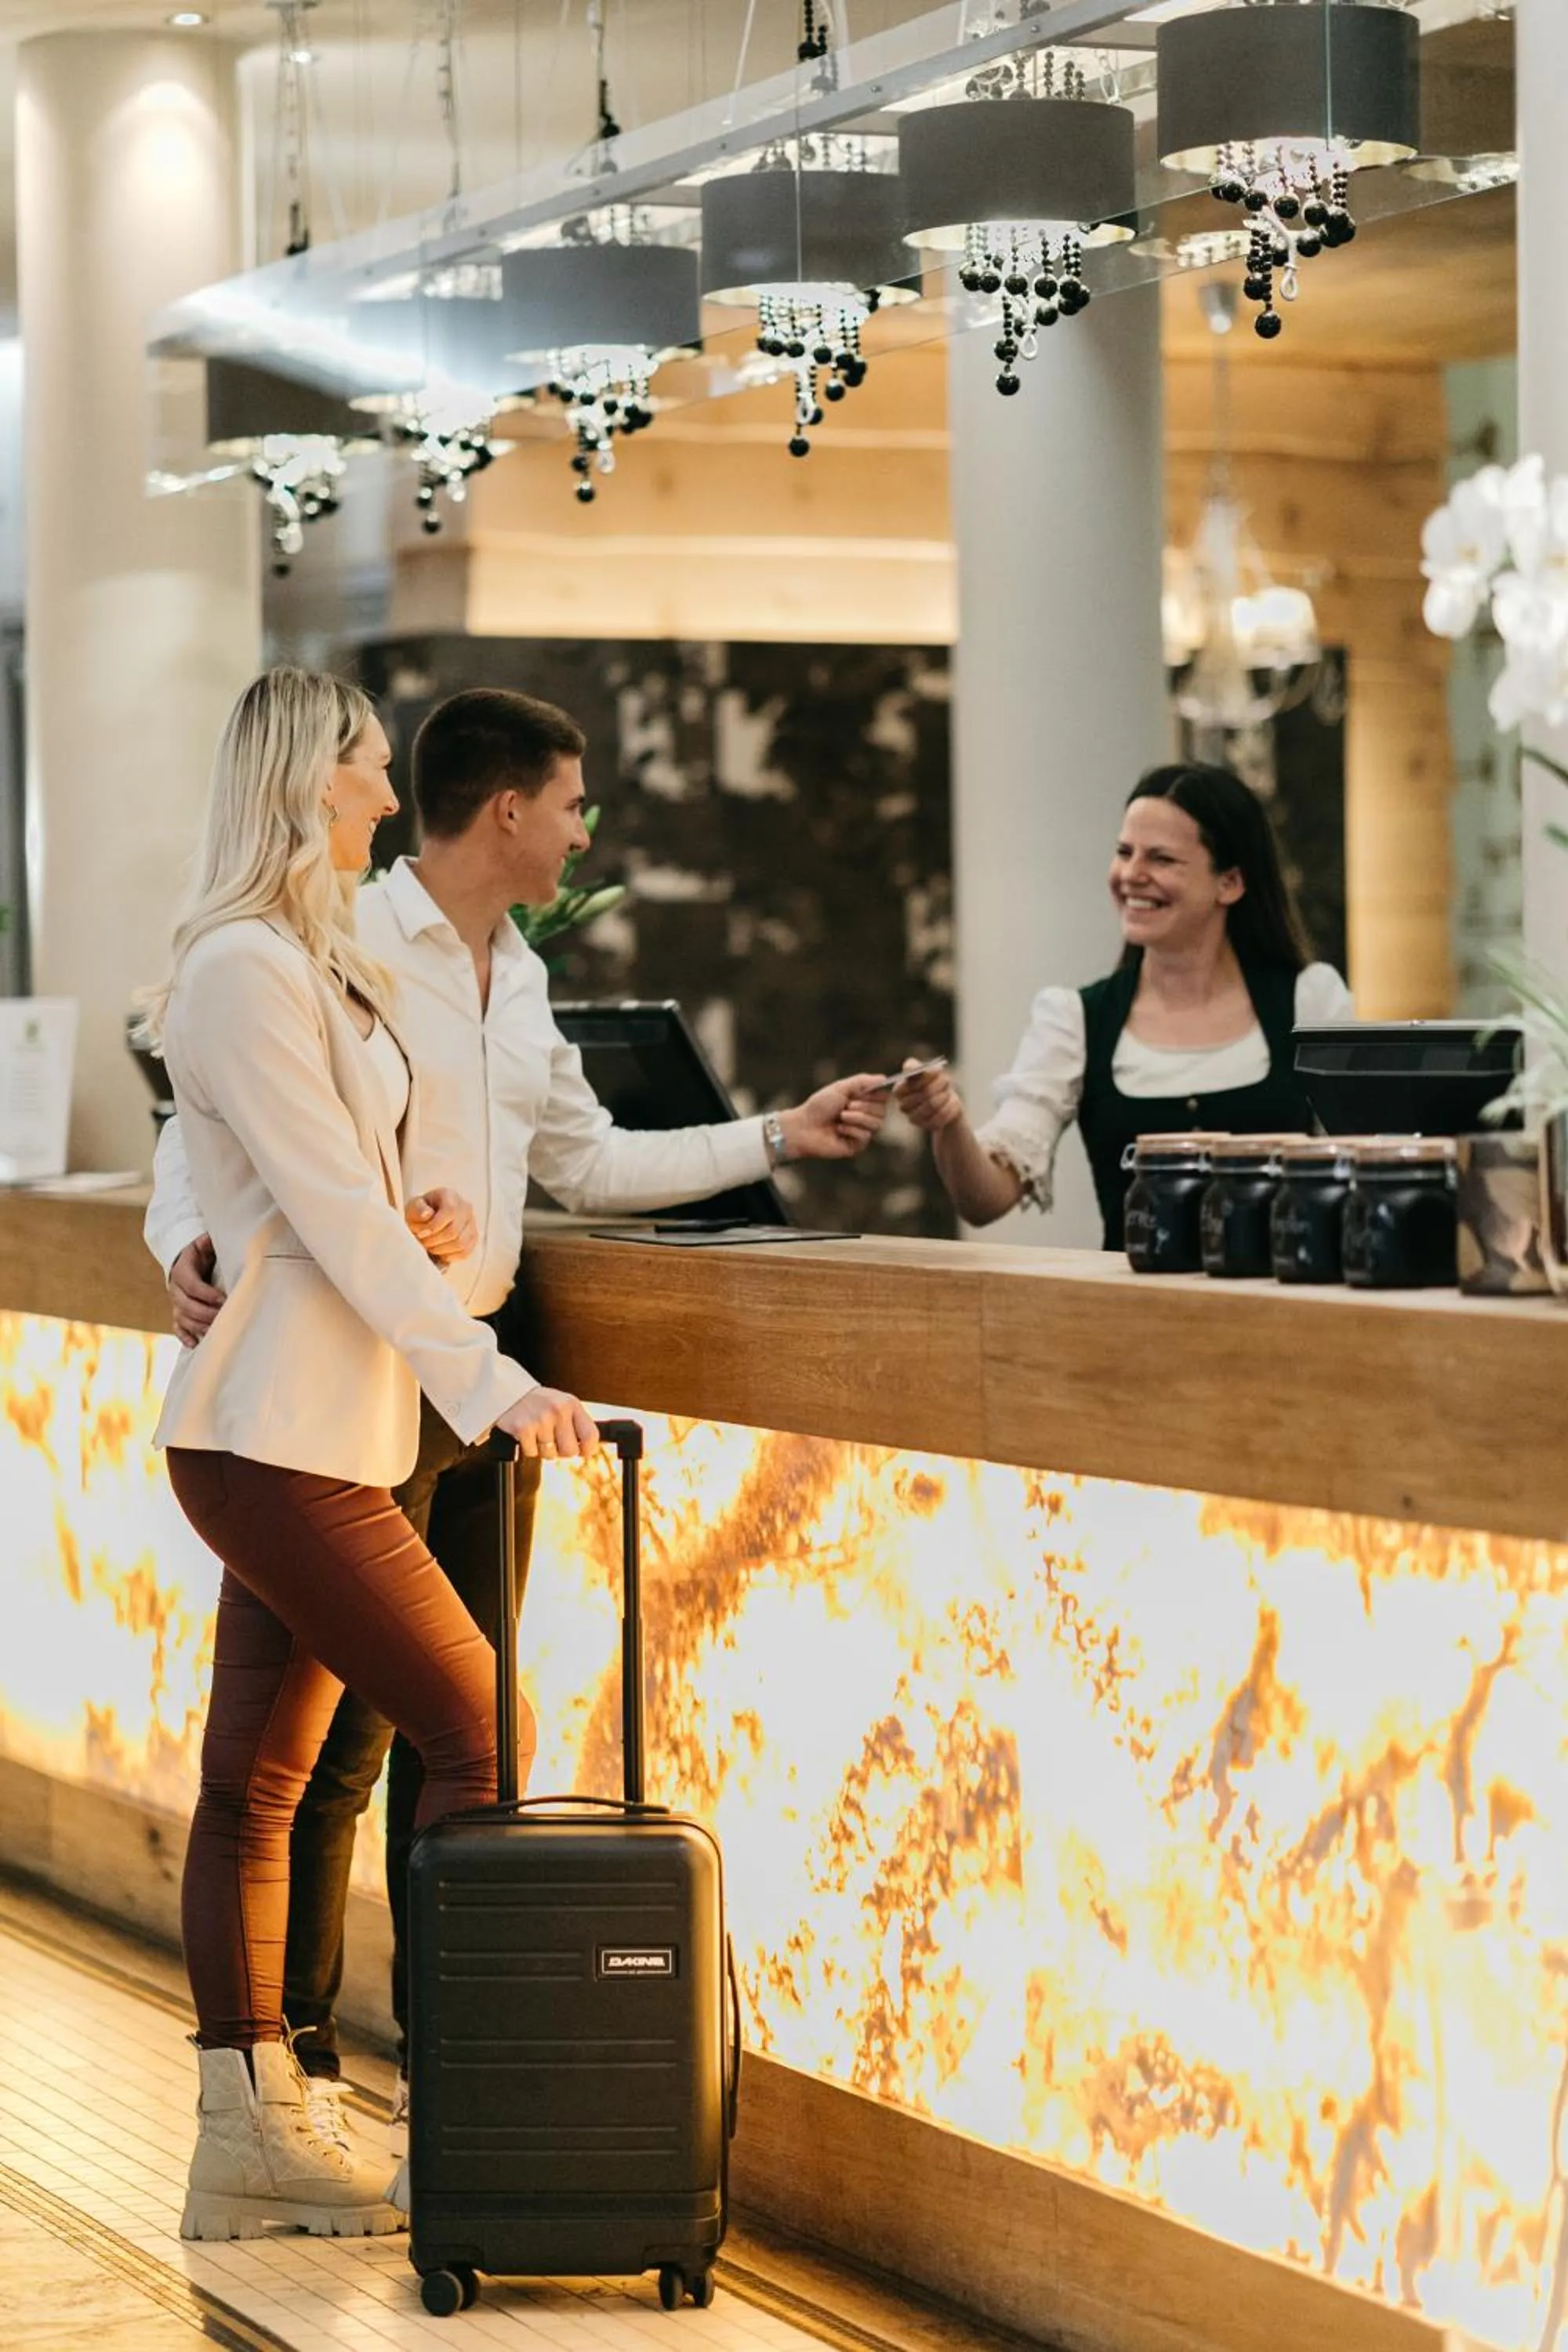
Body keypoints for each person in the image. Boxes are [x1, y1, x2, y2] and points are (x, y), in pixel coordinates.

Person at [145, 683, 891, 2160]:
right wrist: (215, 1242)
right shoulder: (308, 952)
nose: (583, 826)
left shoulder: (446, 968)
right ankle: (356, 2081)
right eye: (362, 757)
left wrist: (774, 1138)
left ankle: (324, 2108)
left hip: (398, 1383)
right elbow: (251, 1163)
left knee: (301, 1766)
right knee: (392, 1744)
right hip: (345, 1392)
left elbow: (528, 1170)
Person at [141, 666, 612, 2243]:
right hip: (272, 1431)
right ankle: (455, 2115)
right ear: (303, 780)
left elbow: (348, 1187)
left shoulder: (309, 960)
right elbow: (319, 1211)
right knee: (476, 1722)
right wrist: (486, 1376)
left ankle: (252, 2142)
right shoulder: (238, 969)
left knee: (258, 1788)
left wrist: (429, 1217)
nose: (383, 794)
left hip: (320, 1426)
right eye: (359, 767)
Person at [898, 762, 1352, 1248]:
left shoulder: (1309, 1000)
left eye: (1161, 859)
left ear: (1230, 883)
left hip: (1282, 1315)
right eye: (1124, 852)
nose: (1131, 875)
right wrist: (948, 1125)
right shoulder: (1076, 1018)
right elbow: (984, 1201)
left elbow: (1366, 1161)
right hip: (1131, 1317)